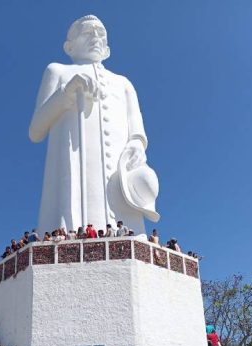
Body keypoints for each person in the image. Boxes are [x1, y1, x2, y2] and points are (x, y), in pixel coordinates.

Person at [30, 15, 157, 238]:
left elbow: (136, 127)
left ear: (108, 48)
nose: (96, 37)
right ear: (69, 47)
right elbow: (35, 130)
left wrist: (137, 144)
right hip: (72, 167)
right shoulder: (57, 71)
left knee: (128, 225)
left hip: (120, 172)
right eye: (88, 32)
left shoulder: (123, 83)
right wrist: (66, 93)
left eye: (101, 34)